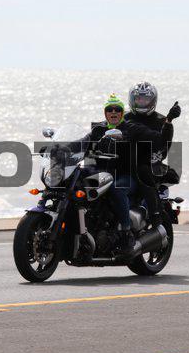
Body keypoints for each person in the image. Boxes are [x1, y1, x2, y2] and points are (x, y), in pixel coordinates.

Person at [75, 94, 174, 253]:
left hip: (127, 176)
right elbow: (80, 143)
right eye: (110, 109)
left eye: (117, 110)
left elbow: (160, 141)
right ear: (105, 113)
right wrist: (58, 148)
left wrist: (168, 122)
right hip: (102, 174)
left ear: (122, 113)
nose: (113, 112)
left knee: (117, 189)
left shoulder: (133, 128)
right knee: (76, 185)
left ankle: (125, 232)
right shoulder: (99, 130)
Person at [124, 82, 181, 227]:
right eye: (138, 99)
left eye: (145, 99)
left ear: (152, 100)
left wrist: (169, 121)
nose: (142, 102)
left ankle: (153, 212)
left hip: (150, 162)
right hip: (125, 162)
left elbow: (164, 146)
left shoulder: (162, 120)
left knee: (145, 173)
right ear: (132, 100)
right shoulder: (124, 118)